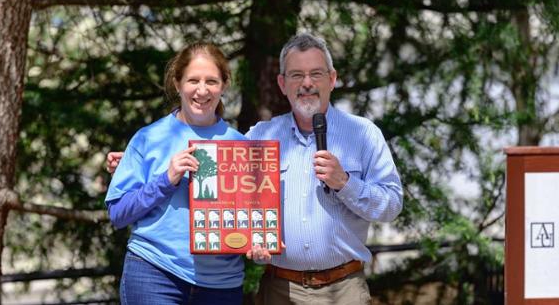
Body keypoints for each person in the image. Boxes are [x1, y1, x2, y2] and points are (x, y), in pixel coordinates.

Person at [107, 33, 403, 304]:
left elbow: (391, 205)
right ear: (282, 83)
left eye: (316, 74)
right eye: (297, 75)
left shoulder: (362, 133)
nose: (307, 83)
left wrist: (345, 182)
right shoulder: (259, 138)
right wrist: (137, 165)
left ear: (333, 78)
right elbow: (234, 199)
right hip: (278, 288)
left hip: (343, 288)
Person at [105, 42, 246, 305]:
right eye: (193, 80)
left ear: (224, 85)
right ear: (178, 83)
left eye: (211, 81)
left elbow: (253, 222)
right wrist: (165, 180)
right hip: (154, 275)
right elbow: (118, 213)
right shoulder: (147, 138)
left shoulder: (242, 147)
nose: (202, 90)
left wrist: (257, 246)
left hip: (222, 285)